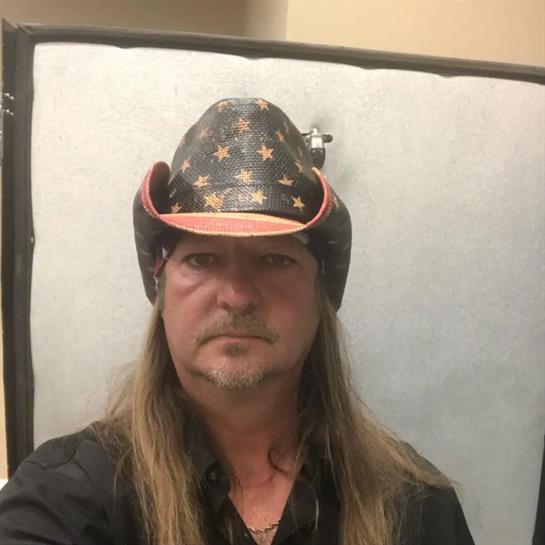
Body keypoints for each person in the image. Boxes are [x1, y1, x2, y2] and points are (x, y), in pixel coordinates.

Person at [0, 98, 475, 545]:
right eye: (202, 259)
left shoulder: (415, 507)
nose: (237, 296)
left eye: (274, 260)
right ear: (161, 292)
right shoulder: (65, 497)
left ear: (320, 297)